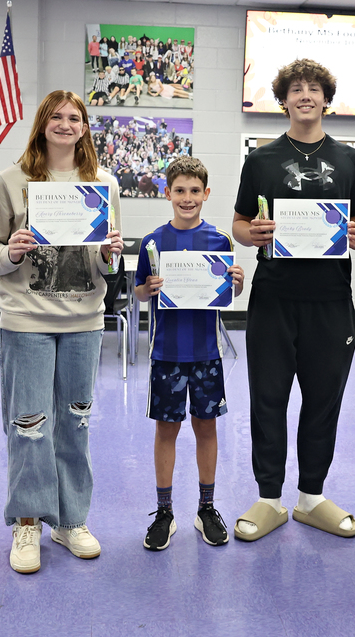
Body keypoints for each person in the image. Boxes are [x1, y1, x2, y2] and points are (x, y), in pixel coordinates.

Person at [0, 90, 124, 573]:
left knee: (76, 423)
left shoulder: (103, 183)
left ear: (84, 127)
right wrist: (11, 252)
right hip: (27, 322)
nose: (65, 124)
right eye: (56, 117)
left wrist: (110, 254)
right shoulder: (11, 180)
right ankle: (27, 522)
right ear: (41, 124)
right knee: (29, 426)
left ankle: (70, 519)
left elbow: (108, 264)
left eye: (74, 118)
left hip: (83, 322)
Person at [232, 59, 355, 541]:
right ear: (284, 100)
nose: (305, 95)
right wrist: (254, 234)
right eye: (296, 89)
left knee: (323, 401)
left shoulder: (351, 159)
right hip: (274, 297)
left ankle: (311, 497)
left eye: (314, 89)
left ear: (326, 99)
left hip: (331, 299)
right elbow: (239, 224)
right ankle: (269, 498)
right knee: (268, 399)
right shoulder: (261, 159)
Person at [133, 156, 246, 551]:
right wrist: (148, 290)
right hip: (166, 353)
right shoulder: (152, 241)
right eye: (179, 190)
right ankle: (164, 512)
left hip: (205, 354)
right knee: (166, 430)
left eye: (194, 191)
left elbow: (231, 295)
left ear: (206, 194)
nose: (187, 198)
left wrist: (238, 283)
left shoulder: (220, 241)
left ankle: (206, 507)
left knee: (206, 428)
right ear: (167, 193)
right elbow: (139, 291)